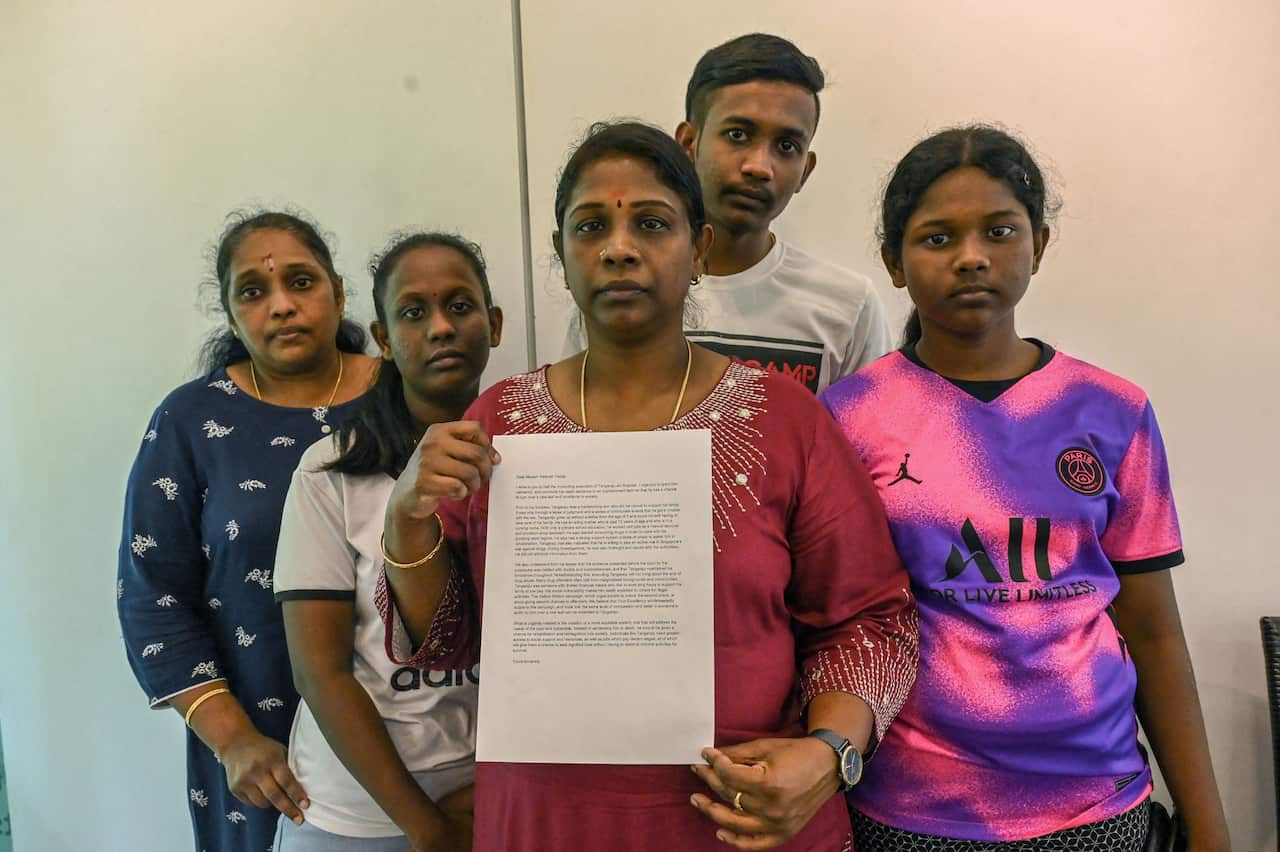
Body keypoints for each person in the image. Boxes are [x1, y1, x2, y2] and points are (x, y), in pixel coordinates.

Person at [377, 120, 918, 851]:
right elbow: (447, 643)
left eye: (652, 224)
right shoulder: (499, 423)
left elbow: (872, 621)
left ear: (697, 252)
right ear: (563, 260)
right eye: (591, 226)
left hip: (746, 822)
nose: (620, 248)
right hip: (546, 824)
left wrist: (828, 755)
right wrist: (407, 520)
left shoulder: (785, 420)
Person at [821, 126, 1231, 851]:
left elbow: (1154, 631)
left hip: (1095, 802)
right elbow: (838, 626)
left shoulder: (1112, 412)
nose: (972, 256)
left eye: (1000, 231)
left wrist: (1208, 819)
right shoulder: (850, 417)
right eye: (938, 237)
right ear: (893, 261)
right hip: (913, 806)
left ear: (1039, 244)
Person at [118, 210, 379, 852]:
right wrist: (233, 740)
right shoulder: (191, 420)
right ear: (232, 316)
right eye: (254, 292)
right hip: (265, 759)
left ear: (339, 293)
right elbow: (153, 596)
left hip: (414, 737)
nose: (282, 306)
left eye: (302, 282)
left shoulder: (402, 396)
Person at [271, 232, 503, 851]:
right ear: (383, 340)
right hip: (360, 808)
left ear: (495, 324)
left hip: (493, 792)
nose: (441, 328)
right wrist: (424, 828)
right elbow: (318, 672)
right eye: (413, 312)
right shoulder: (330, 472)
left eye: (460, 306)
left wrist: (499, 790)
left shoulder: (534, 458)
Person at [561, 34, 891, 393]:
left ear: (805, 170)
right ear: (689, 144)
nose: (758, 166)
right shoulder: (623, 290)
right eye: (737, 134)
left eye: (786, 146)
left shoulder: (847, 305)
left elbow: (867, 443)